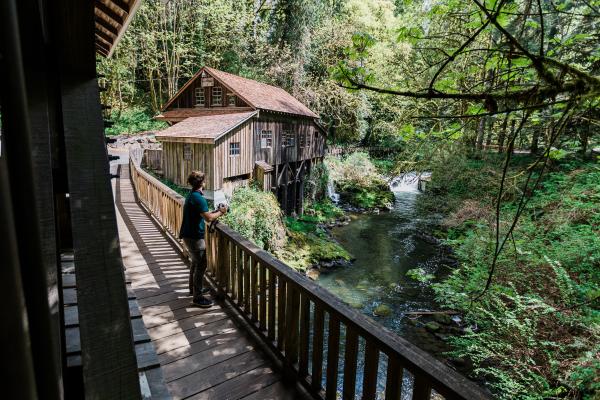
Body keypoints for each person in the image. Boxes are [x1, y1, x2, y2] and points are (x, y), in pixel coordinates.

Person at [179, 171, 227, 308]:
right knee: (201, 265)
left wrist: (214, 212)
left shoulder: (192, 195)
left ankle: (194, 289)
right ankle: (198, 297)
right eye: (204, 181)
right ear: (201, 183)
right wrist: (221, 212)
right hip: (194, 238)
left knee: (195, 263)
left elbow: (204, 214)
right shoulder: (199, 198)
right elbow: (209, 218)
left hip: (189, 235)